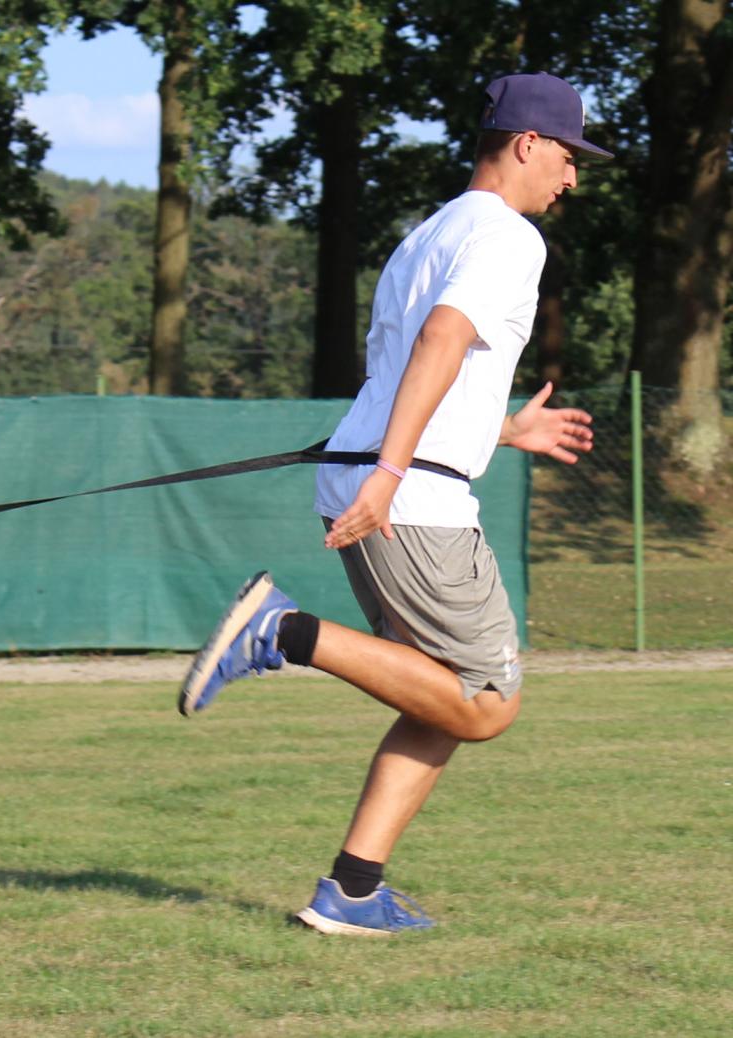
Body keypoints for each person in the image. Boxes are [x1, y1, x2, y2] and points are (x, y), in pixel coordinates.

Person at [178, 72, 606, 935]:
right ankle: (282, 631)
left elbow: (418, 370)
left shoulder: (428, 234)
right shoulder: (509, 237)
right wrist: (394, 473)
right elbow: (444, 343)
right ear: (527, 143)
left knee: (439, 696)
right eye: (567, 156)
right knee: (486, 701)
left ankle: (354, 890)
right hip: (408, 493)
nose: (570, 178)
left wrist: (496, 431)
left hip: (384, 473)